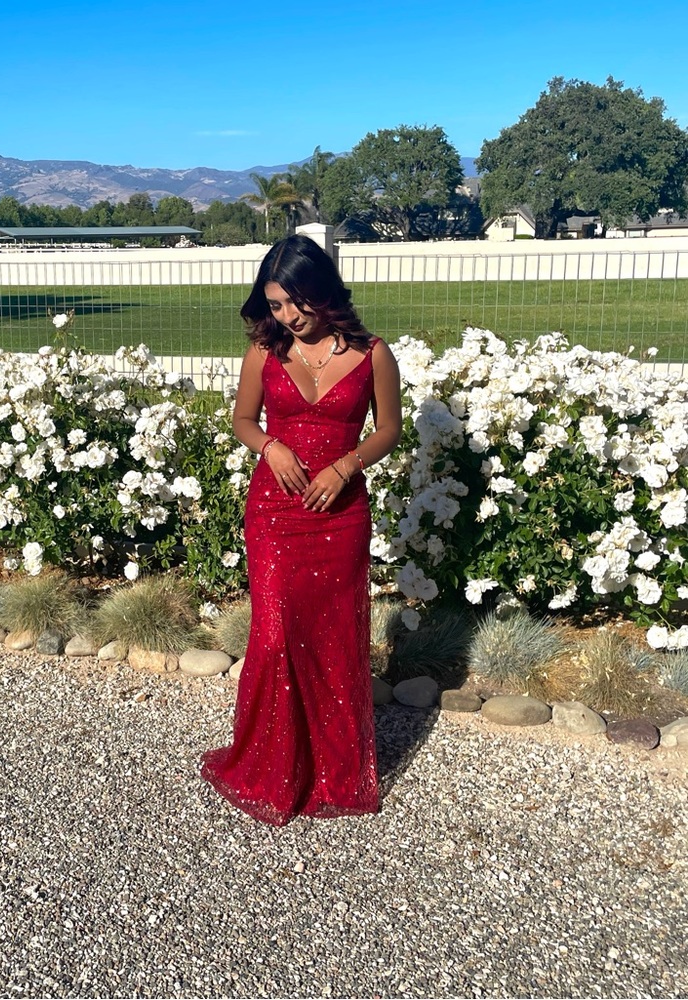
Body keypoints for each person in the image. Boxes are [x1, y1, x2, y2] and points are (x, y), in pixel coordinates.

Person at [201, 234, 402, 825]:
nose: (286, 316)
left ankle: (332, 768)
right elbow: (242, 419)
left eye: (294, 303)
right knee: (275, 632)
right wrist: (270, 446)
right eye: (275, 305)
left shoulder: (373, 355)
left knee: (333, 636)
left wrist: (346, 465)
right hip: (275, 510)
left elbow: (388, 429)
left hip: (341, 514)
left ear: (322, 292)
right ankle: (273, 763)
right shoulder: (265, 352)